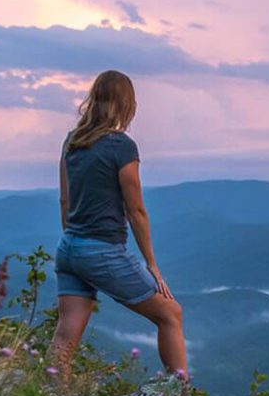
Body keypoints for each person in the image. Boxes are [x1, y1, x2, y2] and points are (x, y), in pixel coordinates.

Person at [49, 69, 185, 380]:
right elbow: (135, 209)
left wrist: (74, 244)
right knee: (171, 314)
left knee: (65, 335)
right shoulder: (122, 147)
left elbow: (64, 201)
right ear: (127, 104)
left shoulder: (72, 142)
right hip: (103, 250)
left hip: (69, 247)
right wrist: (151, 264)